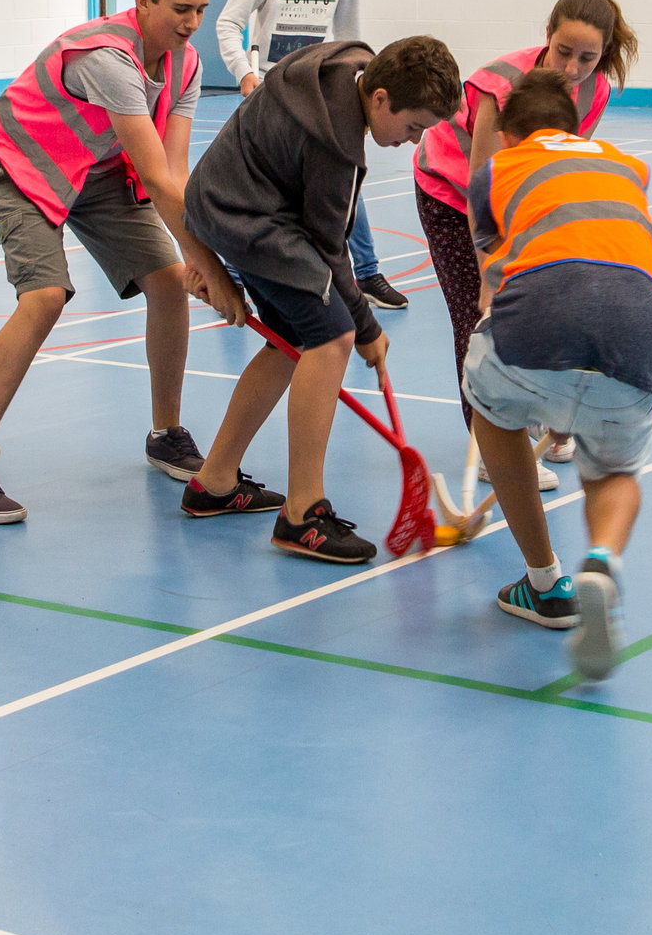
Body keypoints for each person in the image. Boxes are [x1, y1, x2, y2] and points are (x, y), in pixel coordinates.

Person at [0, 0, 243, 524]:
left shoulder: (187, 63)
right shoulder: (109, 57)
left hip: (98, 167)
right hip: (24, 164)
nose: (192, 22)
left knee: (170, 280)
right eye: (180, 8)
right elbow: (157, 178)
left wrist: (200, 262)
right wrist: (212, 266)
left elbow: (175, 174)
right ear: (142, 1)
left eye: (201, 9)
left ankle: (166, 433)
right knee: (45, 297)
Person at [181, 36, 461, 563]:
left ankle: (213, 482)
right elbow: (330, 249)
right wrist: (367, 330)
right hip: (247, 215)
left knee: (291, 340)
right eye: (414, 127)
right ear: (379, 97)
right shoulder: (336, 145)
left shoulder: (348, 61)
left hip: (233, 195)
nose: (413, 141)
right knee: (332, 337)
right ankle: (301, 513)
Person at [464, 71, 652, 681]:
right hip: (638, 328)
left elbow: (494, 262)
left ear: (507, 134)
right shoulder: (629, 164)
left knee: (492, 410)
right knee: (614, 473)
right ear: (576, 128)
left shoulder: (495, 171)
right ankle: (602, 562)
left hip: (539, 322)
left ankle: (543, 582)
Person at [412, 0, 639, 482]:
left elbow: (555, 164)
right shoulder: (503, 84)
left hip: (516, 197)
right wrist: (491, 274)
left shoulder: (594, 88)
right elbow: (484, 184)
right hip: (453, 193)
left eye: (587, 57)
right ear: (547, 36)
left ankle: (538, 422)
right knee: (477, 316)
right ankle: (492, 445)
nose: (572, 68)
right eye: (563, 51)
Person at [216, 0, 405, 311]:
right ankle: (231, 270)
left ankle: (369, 273)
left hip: (320, 95)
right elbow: (229, 22)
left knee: (346, 179)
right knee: (260, 186)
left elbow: (349, 36)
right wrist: (246, 74)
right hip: (271, 92)